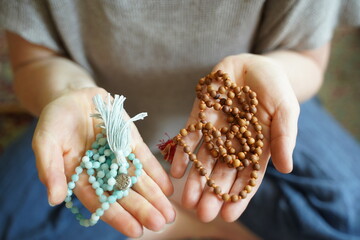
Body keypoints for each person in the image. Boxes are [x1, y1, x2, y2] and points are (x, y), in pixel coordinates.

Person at [0, 0, 359, 239]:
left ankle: (188, 193)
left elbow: (307, 59)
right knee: (11, 220)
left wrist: (274, 73)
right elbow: (33, 62)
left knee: (350, 212)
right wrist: (67, 91)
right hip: (91, 123)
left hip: (257, 113)